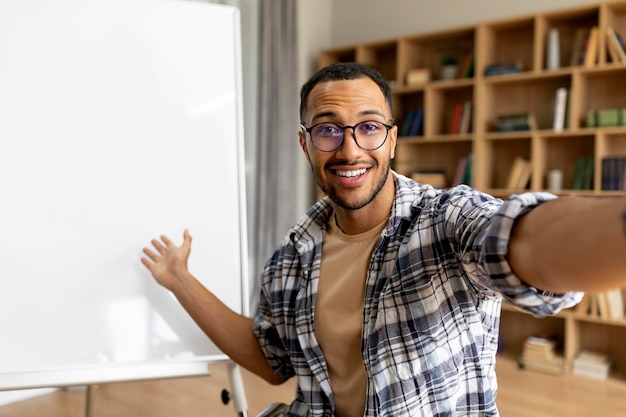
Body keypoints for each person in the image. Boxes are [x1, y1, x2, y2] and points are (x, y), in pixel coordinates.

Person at [141, 62, 626, 417]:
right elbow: (272, 362)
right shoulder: (290, 259)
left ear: (392, 140)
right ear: (305, 143)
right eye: (328, 130)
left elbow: (522, 240)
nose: (350, 148)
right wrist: (179, 278)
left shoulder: (445, 220)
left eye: (369, 127)